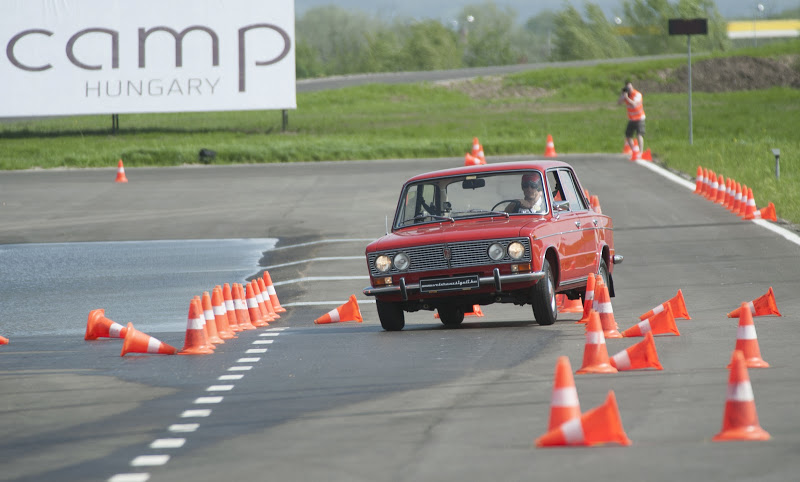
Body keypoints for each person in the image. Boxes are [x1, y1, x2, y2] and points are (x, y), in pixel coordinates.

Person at [617, 80, 645, 158]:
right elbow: (618, 103)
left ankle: (641, 152)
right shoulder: (626, 95)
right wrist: (622, 96)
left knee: (639, 134)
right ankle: (634, 150)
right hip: (631, 118)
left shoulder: (637, 94)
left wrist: (627, 98)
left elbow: (634, 104)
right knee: (628, 135)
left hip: (639, 117)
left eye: (629, 87)